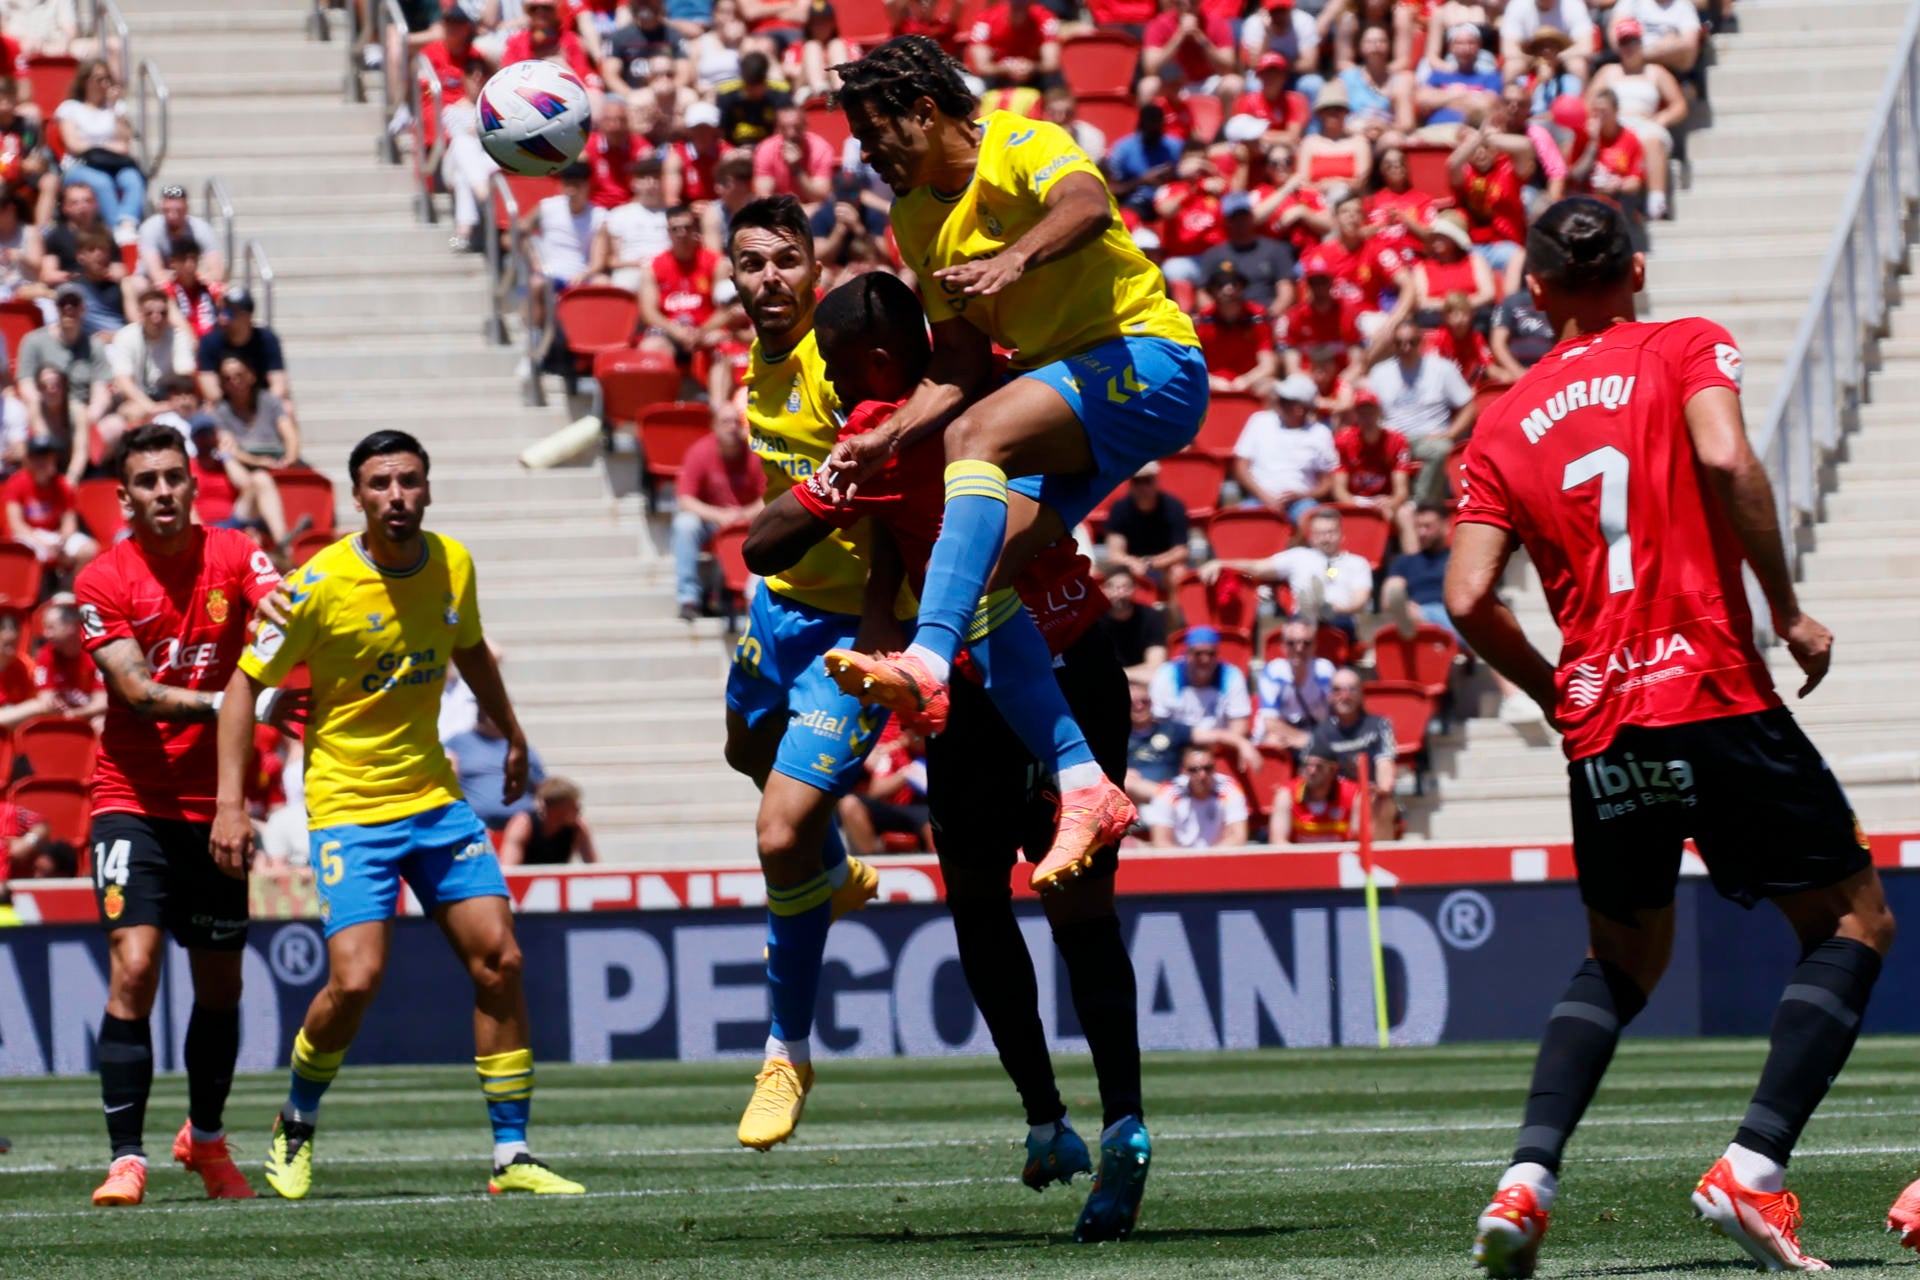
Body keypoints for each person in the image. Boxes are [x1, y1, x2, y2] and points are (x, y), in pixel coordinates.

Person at [1444, 198, 1894, 1277]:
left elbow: (1466, 598)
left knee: (1623, 957)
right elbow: (1730, 459)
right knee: (1852, 918)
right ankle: (1752, 1167)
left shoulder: (1501, 422)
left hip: (1608, 717)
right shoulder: (1685, 344)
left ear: (1535, 289)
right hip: (1711, 685)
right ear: (1636, 270)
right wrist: (1785, 607)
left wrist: (1561, 693)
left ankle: (1526, 1178)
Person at [740, 269, 1151, 1242]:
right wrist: (881, 611)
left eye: (838, 368)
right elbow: (897, 538)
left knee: (986, 898)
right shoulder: (1011, 381)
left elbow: (768, 543)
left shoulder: (882, 423)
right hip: (1074, 648)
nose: (834, 388)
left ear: (877, 361)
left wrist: (832, 474)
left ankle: (1061, 1120)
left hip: (987, 675)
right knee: (1072, 905)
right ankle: (1112, 1121)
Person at [825, 37, 1206, 874]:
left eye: (872, 133)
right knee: (978, 572)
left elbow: (1086, 205)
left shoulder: (1019, 140)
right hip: (1067, 392)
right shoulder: (912, 217)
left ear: (923, 112)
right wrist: (886, 435)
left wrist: (1014, 258)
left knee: (975, 442)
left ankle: (926, 661)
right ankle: (1083, 783)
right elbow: (958, 363)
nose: (865, 155)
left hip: (1150, 359)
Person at [210, 430, 585, 1201]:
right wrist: (230, 806)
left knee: (501, 959)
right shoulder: (316, 586)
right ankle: (296, 1120)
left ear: (428, 489)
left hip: (435, 799)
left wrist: (512, 732)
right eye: (379, 484)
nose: (396, 497)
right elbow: (247, 685)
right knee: (357, 979)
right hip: (349, 806)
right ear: (357, 498)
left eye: (409, 481)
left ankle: (512, 1155)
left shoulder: (453, 563)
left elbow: (471, 650)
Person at [74, 422, 300, 1208]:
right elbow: (135, 693)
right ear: (124, 496)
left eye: (175, 477)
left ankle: (205, 1141)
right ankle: (125, 1158)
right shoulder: (103, 578)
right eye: (148, 481)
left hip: (218, 811)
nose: (164, 491)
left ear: (193, 484)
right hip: (129, 803)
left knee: (221, 989)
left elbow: (287, 612)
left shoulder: (236, 554)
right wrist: (245, 699)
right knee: (134, 966)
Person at [713, 197, 884, 1154]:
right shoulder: (760, 359)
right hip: (779, 611)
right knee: (744, 750)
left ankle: (787, 1050)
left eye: (785, 261)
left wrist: (875, 639)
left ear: (815, 265)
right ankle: (836, 871)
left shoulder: (846, 358)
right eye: (751, 264)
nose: (769, 279)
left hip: (851, 630)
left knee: (778, 834)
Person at [1204, 506, 1373, 632]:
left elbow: (1360, 601)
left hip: (1340, 619)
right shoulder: (1297, 556)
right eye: (1320, 533)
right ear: (1311, 536)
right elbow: (1257, 568)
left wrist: (1331, 609)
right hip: (1303, 619)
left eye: (1331, 532)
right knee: (1299, 626)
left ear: (1342, 535)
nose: (1325, 538)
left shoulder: (1358, 563)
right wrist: (1221, 563)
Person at [672, 402, 766, 618]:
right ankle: (688, 599)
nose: (732, 427)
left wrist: (743, 514)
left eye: (736, 421)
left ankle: (758, 602)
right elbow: (685, 499)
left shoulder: (756, 453)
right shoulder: (700, 451)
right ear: (714, 426)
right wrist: (719, 515)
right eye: (725, 421)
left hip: (750, 521)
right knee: (684, 524)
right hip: (712, 520)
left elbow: (770, 497)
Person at [1368, 319, 1474, 506]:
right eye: (1400, 343)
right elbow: (1369, 409)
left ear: (1421, 342)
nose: (1406, 347)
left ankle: (1420, 505)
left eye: (1412, 342)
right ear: (1393, 345)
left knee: (1441, 449)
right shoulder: (1380, 372)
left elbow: (1469, 406)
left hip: (1428, 437)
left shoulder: (1441, 368)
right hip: (1390, 439)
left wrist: (1449, 434)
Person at [54, 59, 144, 242]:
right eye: (98, 79)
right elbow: (74, 144)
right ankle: (115, 229)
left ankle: (127, 223)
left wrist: (113, 108)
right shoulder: (71, 108)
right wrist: (103, 145)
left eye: (107, 79)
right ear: (86, 81)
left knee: (133, 179)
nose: (104, 84)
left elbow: (124, 142)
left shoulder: (116, 108)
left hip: (112, 163)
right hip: (80, 164)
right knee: (102, 183)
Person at [1231, 372, 1337, 527]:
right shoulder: (1259, 421)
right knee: (1240, 524)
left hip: (1302, 502)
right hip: (1259, 499)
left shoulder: (1320, 433)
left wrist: (1302, 495)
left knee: (1313, 522)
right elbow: (1241, 467)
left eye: (1283, 400)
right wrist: (1265, 497)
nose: (1276, 401)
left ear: (1299, 409)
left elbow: (1327, 483)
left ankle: (1294, 546)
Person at [1147, 625, 1257, 772]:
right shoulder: (1167, 674)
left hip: (1218, 750)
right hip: (1175, 748)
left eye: (1210, 654)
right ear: (1186, 653)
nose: (1205, 660)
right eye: (1198, 654)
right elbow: (1158, 723)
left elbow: (1239, 726)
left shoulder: (1231, 675)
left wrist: (1211, 746)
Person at [1304, 667, 1398, 832]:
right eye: (1337, 690)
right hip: (1336, 801)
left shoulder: (1378, 725)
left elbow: (1385, 765)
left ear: (1361, 695)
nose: (1345, 696)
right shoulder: (1321, 732)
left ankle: (1378, 856)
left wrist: (1382, 789)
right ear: (1330, 696)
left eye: (1352, 689)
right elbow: (1312, 773)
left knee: (1379, 801)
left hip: (1372, 798)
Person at [1332, 387, 1414, 551]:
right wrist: (1360, 507)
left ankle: (1414, 565)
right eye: (1362, 413)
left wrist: (1391, 503)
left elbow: (1402, 490)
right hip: (1356, 500)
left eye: (1370, 412)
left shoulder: (1396, 441)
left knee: (1405, 514)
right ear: (1355, 415)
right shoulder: (1343, 441)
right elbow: (1339, 490)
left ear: (1379, 413)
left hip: (1386, 498)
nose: (1366, 417)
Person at [445, 706, 548, 833]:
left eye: (492, 707)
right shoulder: (457, 743)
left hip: (520, 830)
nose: (486, 713)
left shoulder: (521, 747)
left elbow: (542, 788)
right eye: (482, 707)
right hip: (475, 828)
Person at [6, 434, 96, 578]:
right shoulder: (16, 483)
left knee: (88, 548)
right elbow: (16, 525)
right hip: (29, 537)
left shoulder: (63, 485)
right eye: (36, 456)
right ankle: (36, 595)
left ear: (53, 458)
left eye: (46, 455)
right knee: (25, 550)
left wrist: (62, 541)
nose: (41, 461)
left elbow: (69, 523)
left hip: (54, 536)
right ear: (28, 459)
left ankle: (72, 591)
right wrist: (41, 543)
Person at [1102, 461, 1189, 589]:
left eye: (1147, 481)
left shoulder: (1173, 506)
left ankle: (1172, 609)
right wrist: (1133, 563)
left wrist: (1149, 563)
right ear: (1130, 484)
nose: (1142, 487)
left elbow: (1181, 551)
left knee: (1178, 572)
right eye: (1137, 481)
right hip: (1132, 567)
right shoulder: (1119, 509)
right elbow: (1115, 554)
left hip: (1163, 565)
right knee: (1117, 578)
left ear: (1156, 482)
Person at [1145, 743, 1249, 848]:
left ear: (1215, 767)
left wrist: (1208, 859)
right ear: (1184, 771)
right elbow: (1161, 842)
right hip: (1180, 859)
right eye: (1194, 770)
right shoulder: (1167, 792)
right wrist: (1190, 861)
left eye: (1207, 768)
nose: (1202, 775)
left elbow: (1238, 837)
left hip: (1220, 857)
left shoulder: (1229, 789)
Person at [1252, 616, 1332, 752]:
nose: (1299, 649)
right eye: (1291, 643)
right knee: (1273, 742)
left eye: (1306, 643)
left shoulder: (1324, 671)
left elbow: (1335, 714)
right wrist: (1309, 741)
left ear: (1314, 646)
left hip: (1313, 730)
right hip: (1282, 734)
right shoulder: (1273, 672)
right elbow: (1271, 723)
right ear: (1283, 646)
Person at [498, 778, 598, 866]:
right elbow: (508, 870)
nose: (578, 809)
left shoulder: (578, 828)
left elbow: (595, 868)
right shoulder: (523, 825)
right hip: (524, 886)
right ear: (555, 809)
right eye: (572, 805)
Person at [1096, 564, 1167, 682]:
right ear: (1104, 589)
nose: (1120, 593)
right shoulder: (1093, 620)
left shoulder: (1151, 617)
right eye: (1113, 587)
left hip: (1141, 681)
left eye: (1125, 587)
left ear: (1135, 588)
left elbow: (1156, 667)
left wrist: (1117, 675)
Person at [1274, 746, 1361, 842]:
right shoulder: (1287, 794)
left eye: (1319, 766)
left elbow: (1359, 839)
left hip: (1341, 855)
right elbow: (1278, 842)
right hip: (1300, 855)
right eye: (1307, 765)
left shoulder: (1353, 794)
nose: (1312, 771)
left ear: (1333, 770)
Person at [1124, 679, 1189, 805]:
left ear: (1152, 703)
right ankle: (1178, 803)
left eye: (1144, 701)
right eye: (1132, 703)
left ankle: (1174, 802)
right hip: (1134, 803)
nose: (1139, 707)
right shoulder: (1114, 737)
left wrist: (1239, 743)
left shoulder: (1172, 729)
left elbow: (1215, 736)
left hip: (1168, 799)